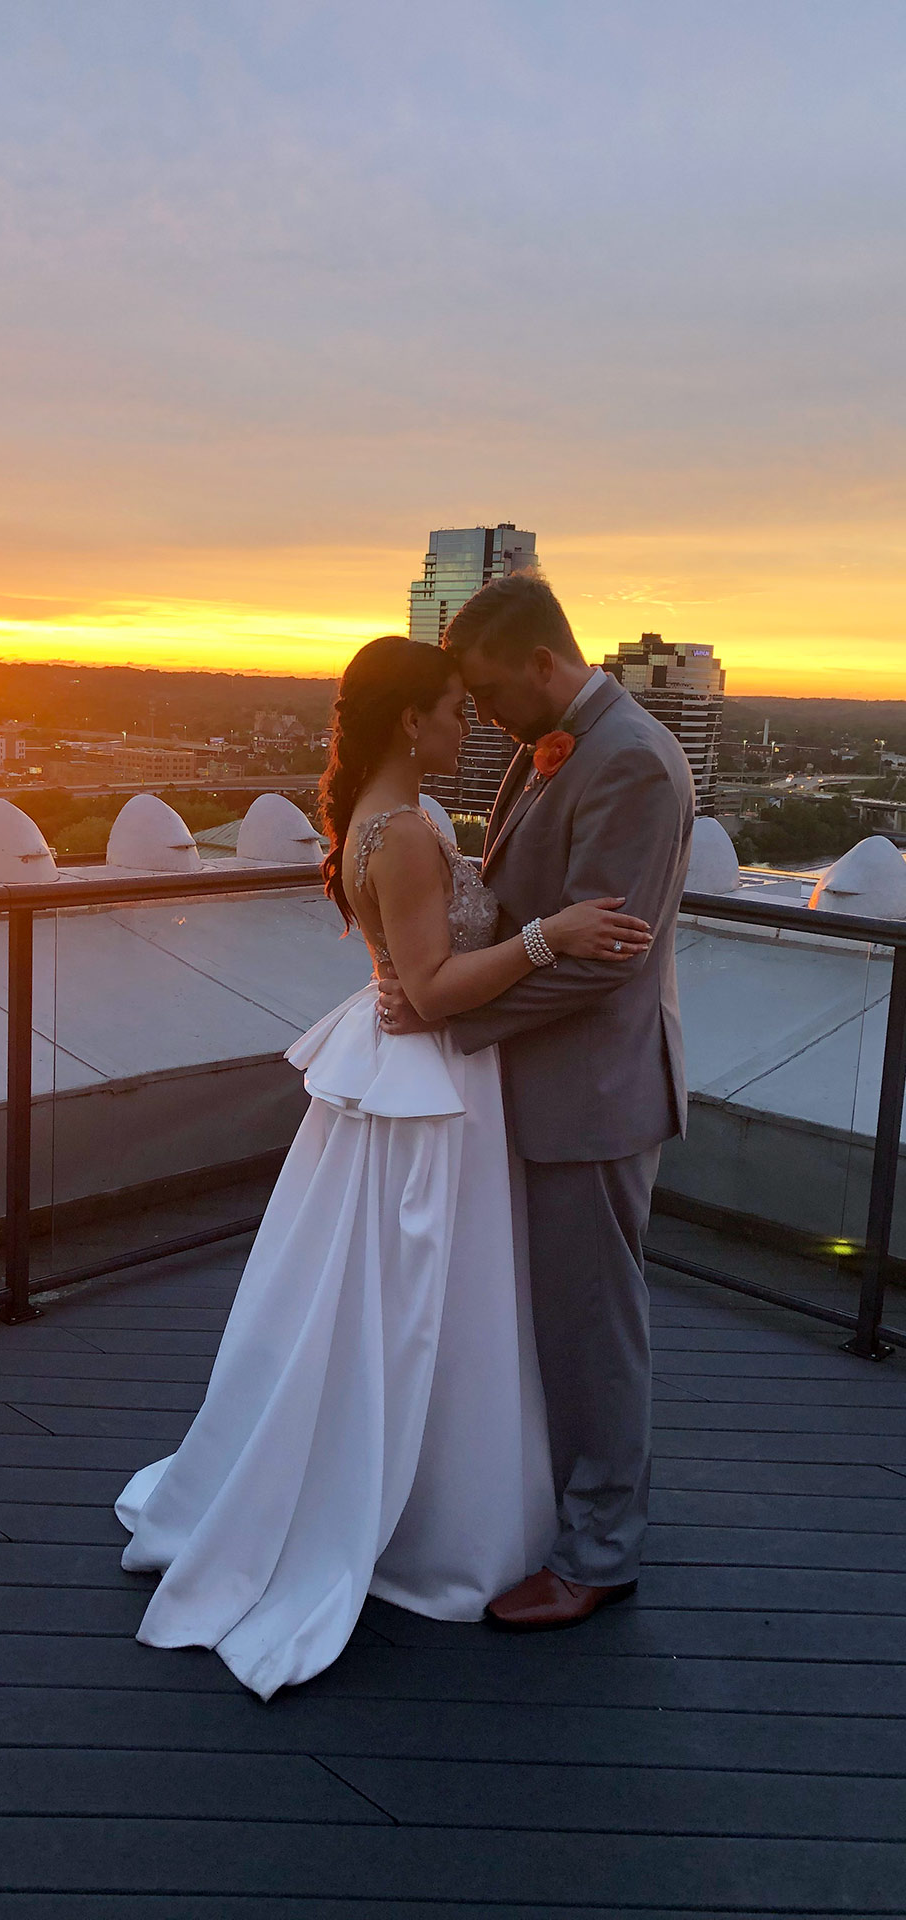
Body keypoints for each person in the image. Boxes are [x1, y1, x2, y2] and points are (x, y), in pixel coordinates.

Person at [115, 634, 651, 1698]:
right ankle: (431, 1516)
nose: (470, 728)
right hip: (429, 1082)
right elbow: (438, 987)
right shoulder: (404, 832)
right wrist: (554, 935)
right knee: (424, 1300)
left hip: (406, 1070)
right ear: (411, 720)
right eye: (456, 709)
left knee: (379, 1295)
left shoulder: (390, 817)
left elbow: (418, 976)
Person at [379, 575, 695, 1629]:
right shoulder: (548, 742)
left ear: (542, 666)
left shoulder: (637, 761)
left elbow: (608, 961)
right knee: (545, 1321)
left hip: (593, 1096)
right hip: (534, 1081)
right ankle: (548, 1514)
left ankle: (600, 1554)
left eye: (486, 691)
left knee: (592, 1331)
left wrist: (443, 1014)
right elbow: (528, 912)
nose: (481, 717)